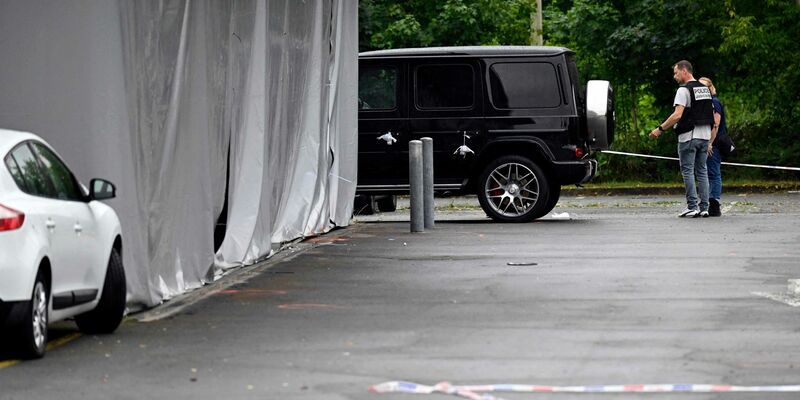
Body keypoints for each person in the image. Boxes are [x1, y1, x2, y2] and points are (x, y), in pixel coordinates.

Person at [649, 60, 715, 218]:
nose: (674, 76)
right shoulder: (705, 89)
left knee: (687, 171)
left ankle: (692, 206)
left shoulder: (683, 90)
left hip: (689, 136)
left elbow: (677, 115)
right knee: (702, 171)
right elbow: (711, 114)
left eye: (676, 72)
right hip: (705, 136)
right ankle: (704, 207)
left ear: (685, 71)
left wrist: (660, 129)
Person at [698, 77, 726, 217]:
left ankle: (714, 204)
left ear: (709, 88)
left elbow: (716, 124)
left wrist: (709, 143)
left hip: (713, 143)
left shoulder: (714, 102)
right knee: (708, 173)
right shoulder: (706, 103)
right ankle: (709, 202)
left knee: (713, 173)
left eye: (703, 87)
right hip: (708, 142)